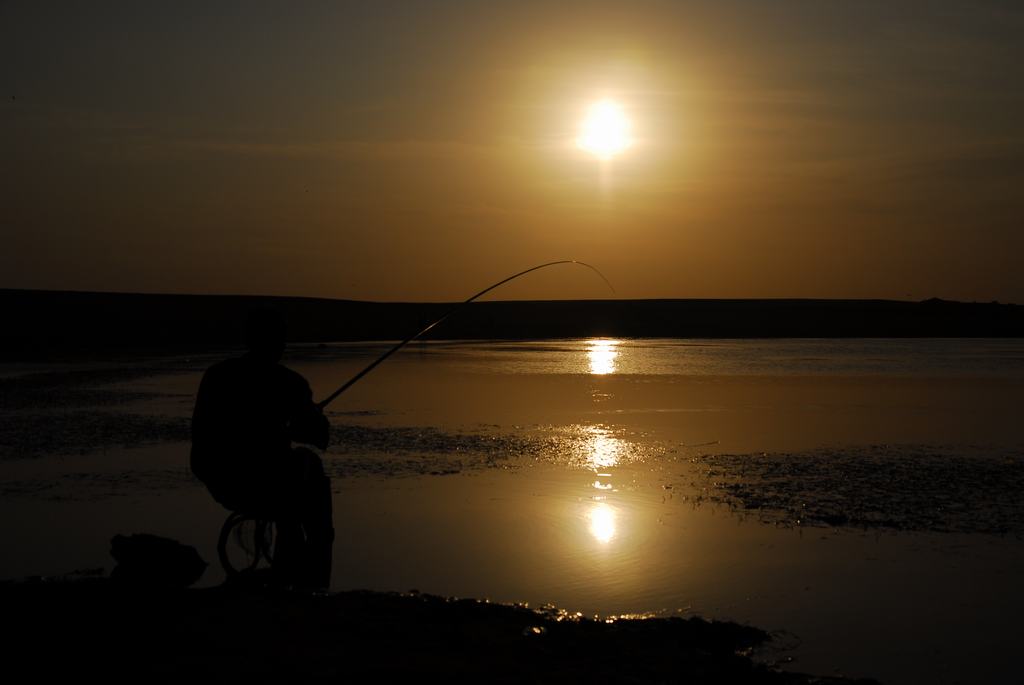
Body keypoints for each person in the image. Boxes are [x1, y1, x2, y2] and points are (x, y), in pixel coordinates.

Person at [191, 307, 333, 589]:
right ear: (280, 342)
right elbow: (320, 437)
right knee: (309, 470)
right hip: (267, 485)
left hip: (221, 483)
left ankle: (293, 568)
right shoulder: (290, 383)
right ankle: (316, 580)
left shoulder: (216, 376)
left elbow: (202, 440)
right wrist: (310, 416)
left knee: (296, 473)